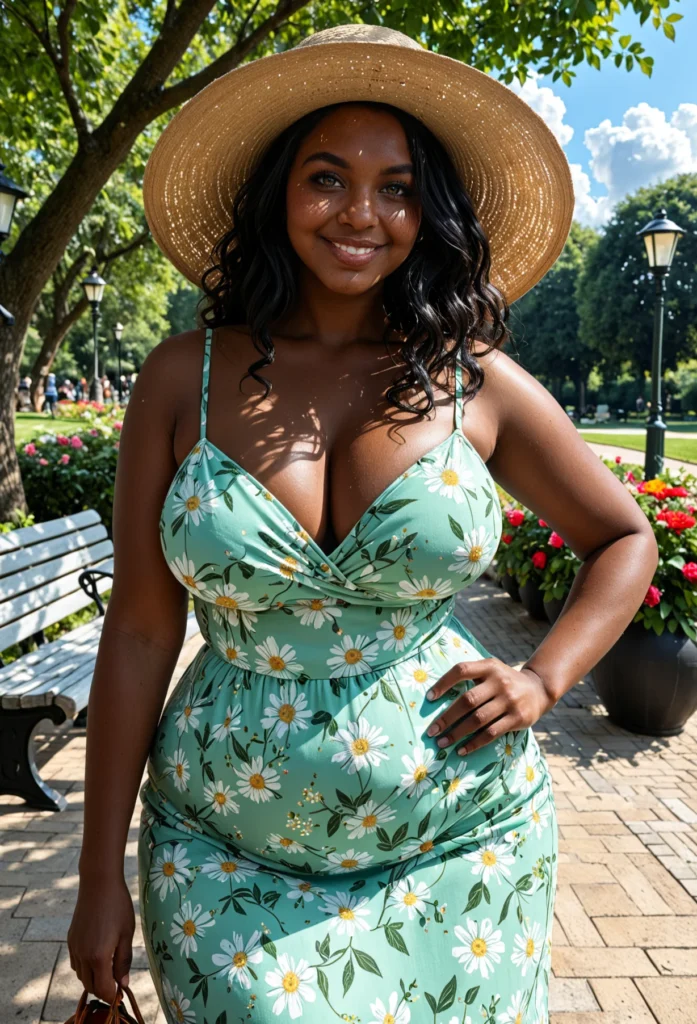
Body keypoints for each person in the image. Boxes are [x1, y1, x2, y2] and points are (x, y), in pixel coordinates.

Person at [67, 24, 659, 1024]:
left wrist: (542, 674)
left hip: (463, 850)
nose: (362, 214)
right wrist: (95, 876)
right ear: (276, 195)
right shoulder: (183, 376)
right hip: (226, 856)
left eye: (397, 189)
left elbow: (623, 537)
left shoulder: (478, 385)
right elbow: (136, 631)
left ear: (430, 215)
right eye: (327, 178)